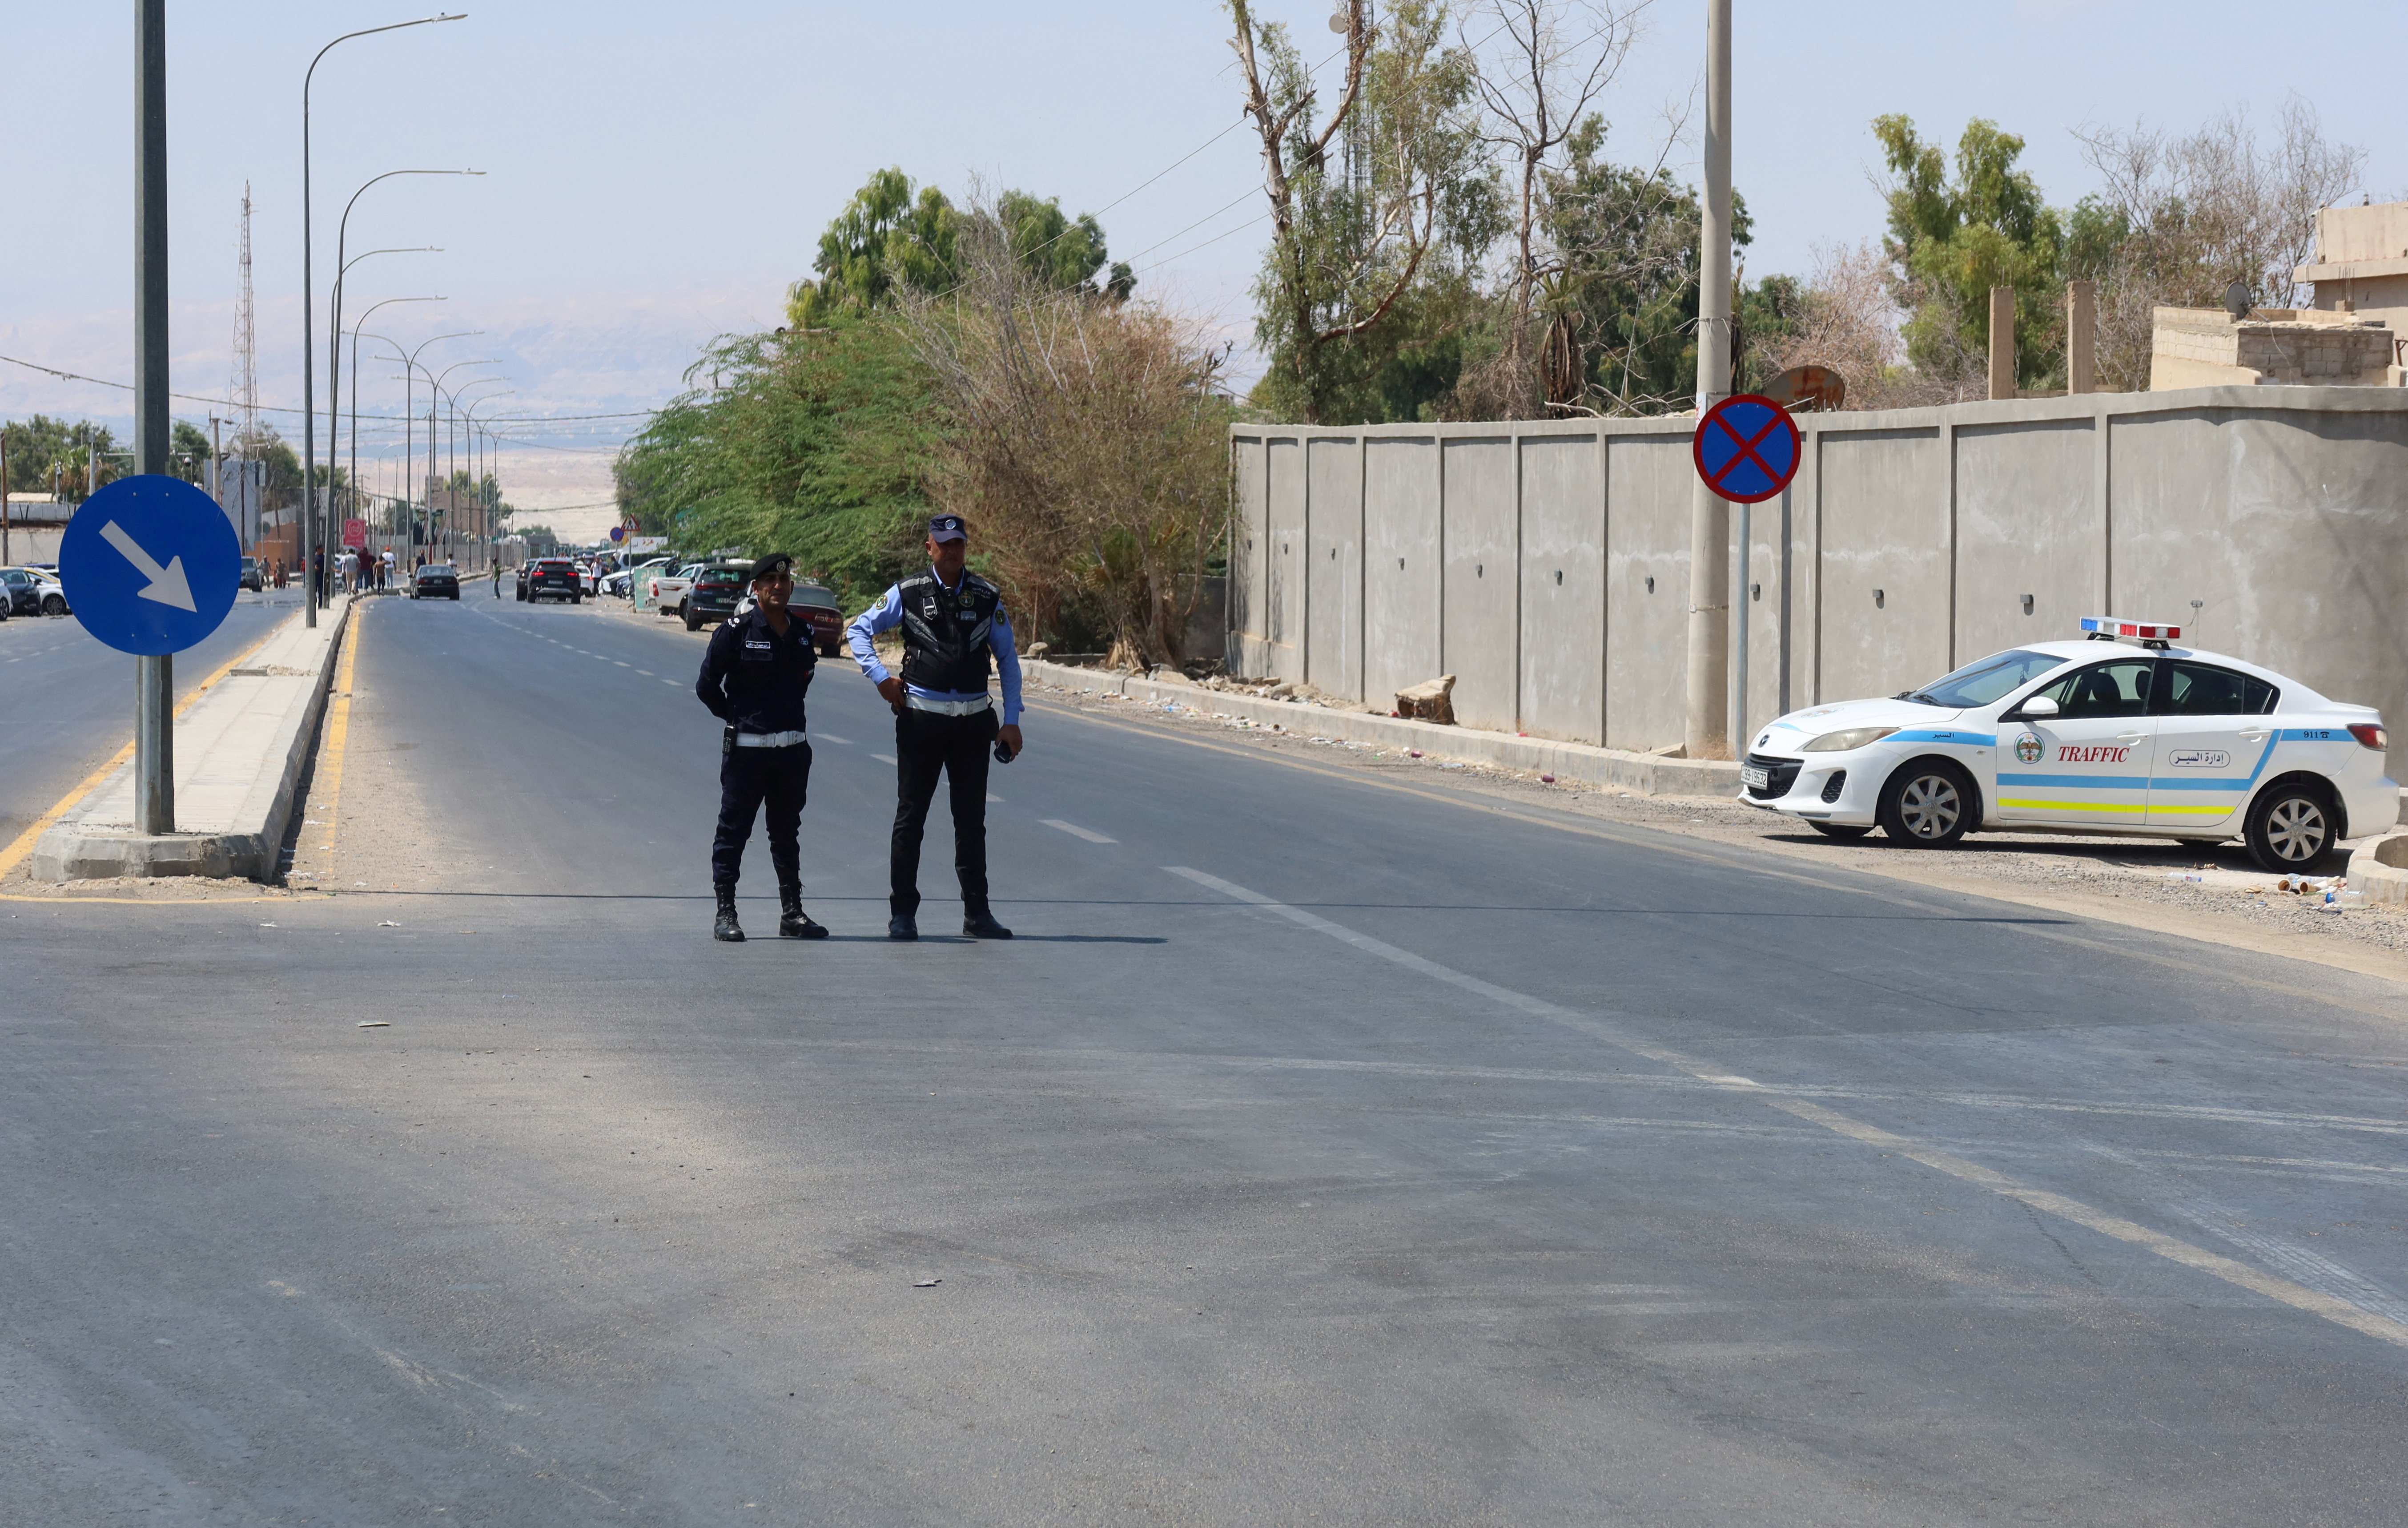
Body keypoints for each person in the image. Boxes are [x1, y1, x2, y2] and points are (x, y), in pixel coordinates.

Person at [845, 514, 1023, 942]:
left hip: (973, 724)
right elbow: (859, 630)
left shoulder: (985, 596)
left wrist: (1012, 720)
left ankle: (977, 913)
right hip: (921, 719)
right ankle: (902, 913)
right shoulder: (908, 592)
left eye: (959, 543)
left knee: (971, 821)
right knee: (912, 816)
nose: (953, 550)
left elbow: (1009, 660)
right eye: (944, 543)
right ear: (930, 547)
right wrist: (882, 679)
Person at [694, 552, 826, 943]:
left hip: (791, 752)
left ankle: (792, 913)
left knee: (787, 832)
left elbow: (803, 682)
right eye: (769, 580)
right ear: (756, 588)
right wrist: (736, 718)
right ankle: (725, 912)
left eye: (784, 581)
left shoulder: (802, 632)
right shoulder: (735, 631)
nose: (777, 587)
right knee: (733, 831)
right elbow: (706, 687)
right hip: (747, 752)